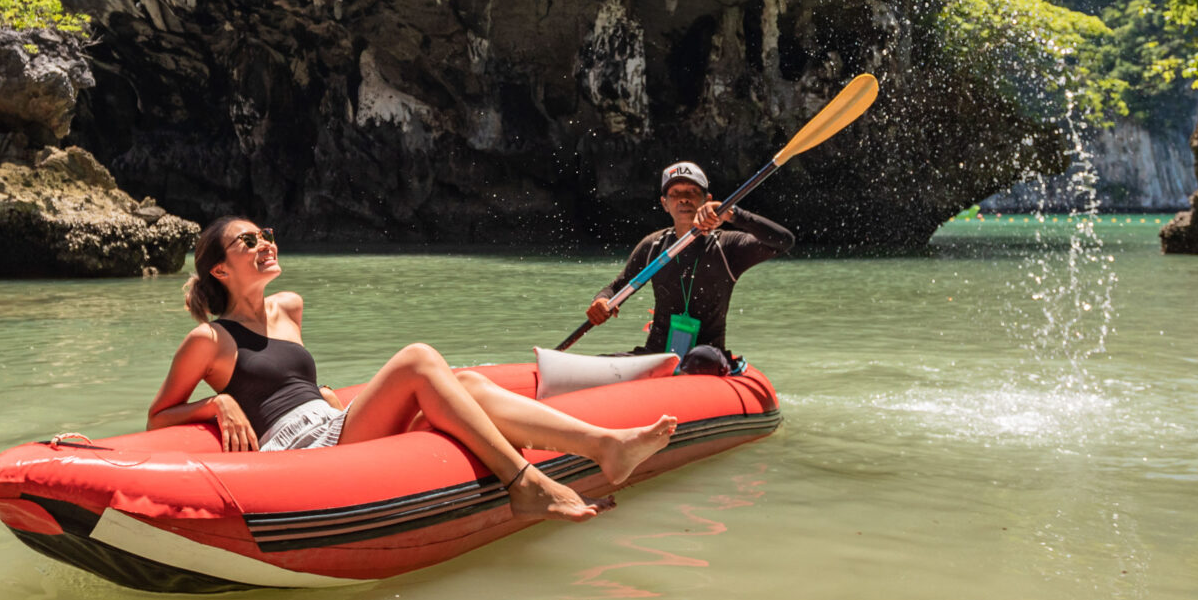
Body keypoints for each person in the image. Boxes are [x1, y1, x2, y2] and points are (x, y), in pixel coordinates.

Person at [148, 216, 678, 521]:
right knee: (420, 358)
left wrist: (325, 392)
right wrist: (217, 402)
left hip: (335, 424)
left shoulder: (289, 306)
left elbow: (292, 381)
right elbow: (159, 417)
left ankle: (606, 446)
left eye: (265, 234)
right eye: (249, 242)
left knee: (468, 382)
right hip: (298, 450)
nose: (265, 243)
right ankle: (524, 483)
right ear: (220, 268)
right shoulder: (210, 339)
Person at [583, 160, 793, 368]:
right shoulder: (653, 246)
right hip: (657, 353)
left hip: (708, 356)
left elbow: (784, 241)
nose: (683, 199)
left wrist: (735, 214)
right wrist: (601, 301)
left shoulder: (727, 246)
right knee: (594, 364)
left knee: (699, 359)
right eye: (675, 193)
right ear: (665, 203)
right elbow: (617, 287)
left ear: (707, 200)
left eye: (692, 191)